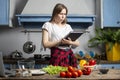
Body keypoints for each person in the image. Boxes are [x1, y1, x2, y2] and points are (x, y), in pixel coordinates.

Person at [42, 3, 80, 67]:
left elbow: (78, 43)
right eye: (61, 14)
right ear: (55, 13)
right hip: (56, 57)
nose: (63, 16)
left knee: (70, 75)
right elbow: (45, 44)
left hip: (69, 57)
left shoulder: (68, 27)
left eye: (65, 14)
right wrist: (59, 42)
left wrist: (70, 42)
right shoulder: (47, 25)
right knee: (56, 76)